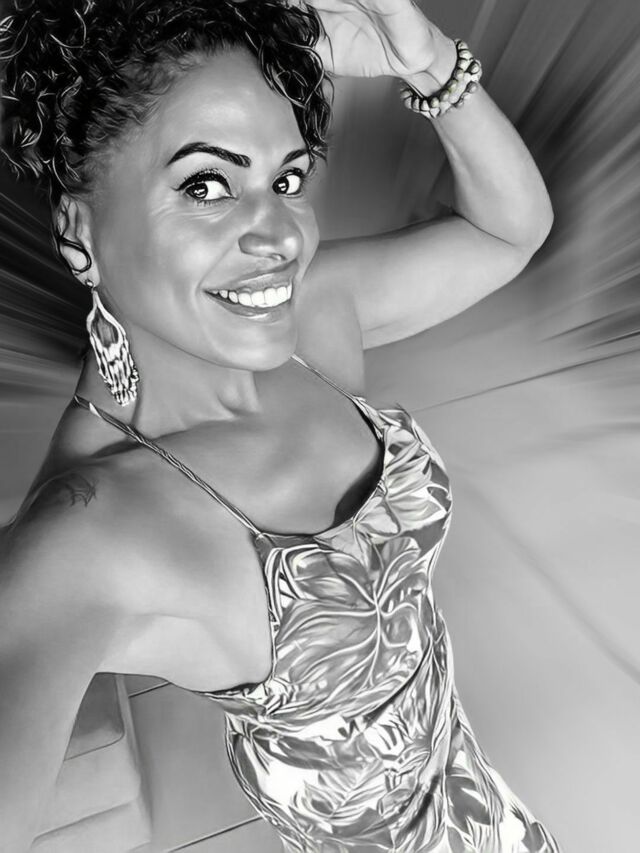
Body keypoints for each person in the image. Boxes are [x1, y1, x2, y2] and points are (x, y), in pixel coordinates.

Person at [0, 1, 559, 851]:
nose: (278, 237)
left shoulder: (311, 318)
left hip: (490, 811)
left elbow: (508, 232)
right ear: (79, 234)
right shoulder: (89, 532)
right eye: (205, 185)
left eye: (287, 181)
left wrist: (428, 64)